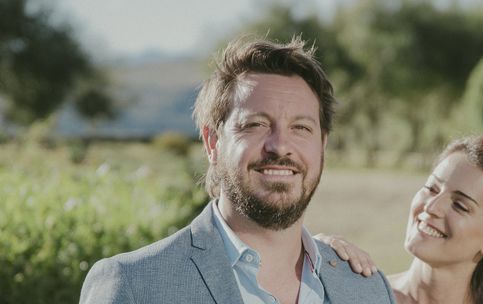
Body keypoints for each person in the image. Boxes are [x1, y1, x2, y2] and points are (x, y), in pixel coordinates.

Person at [80, 37, 395, 304]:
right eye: (256, 124)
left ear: (322, 144)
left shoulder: (367, 290)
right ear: (212, 142)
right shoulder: (135, 286)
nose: (280, 146)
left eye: (301, 127)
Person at [318, 136, 483, 304]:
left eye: (460, 205)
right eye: (432, 188)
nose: (431, 207)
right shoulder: (353, 295)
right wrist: (307, 258)